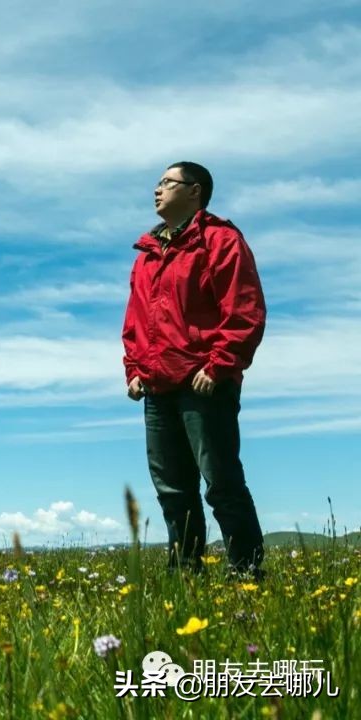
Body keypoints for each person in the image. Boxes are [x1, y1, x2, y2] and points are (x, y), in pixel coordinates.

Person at [122, 161, 266, 578]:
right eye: (158, 182)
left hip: (204, 383)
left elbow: (244, 309)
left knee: (220, 483)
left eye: (168, 182)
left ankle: (246, 572)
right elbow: (135, 320)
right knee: (172, 489)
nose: (157, 189)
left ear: (195, 191)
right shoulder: (148, 254)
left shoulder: (221, 241)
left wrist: (219, 364)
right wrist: (134, 367)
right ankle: (185, 574)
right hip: (156, 384)